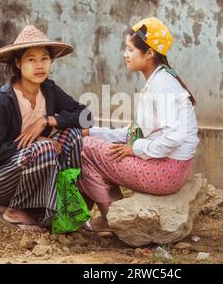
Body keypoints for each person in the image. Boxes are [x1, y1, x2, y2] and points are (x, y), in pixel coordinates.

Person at [78, 17, 199, 235]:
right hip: (167, 165)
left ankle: (113, 221)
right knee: (87, 142)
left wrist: (134, 149)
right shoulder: (159, 80)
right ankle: (114, 213)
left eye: (130, 49)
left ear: (150, 53)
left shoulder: (163, 85)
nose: (125, 55)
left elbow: (173, 138)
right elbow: (134, 133)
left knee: (84, 149)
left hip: (167, 171)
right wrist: (91, 131)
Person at [0, 24, 92, 233]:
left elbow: (86, 117)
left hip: (33, 175)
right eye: (31, 59)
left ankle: (66, 207)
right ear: (18, 63)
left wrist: (47, 120)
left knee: (73, 135)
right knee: (44, 149)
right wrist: (34, 142)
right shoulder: (3, 101)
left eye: (44, 58)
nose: (39, 65)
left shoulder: (49, 90)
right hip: (0, 182)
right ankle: (15, 209)